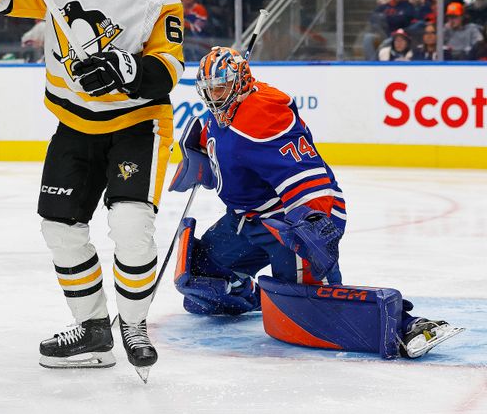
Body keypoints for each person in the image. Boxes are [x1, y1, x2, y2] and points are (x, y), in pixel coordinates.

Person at [0, 0, 184, 379]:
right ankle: (92, 328)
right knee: (59, 228)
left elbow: (169, 66)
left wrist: (123, 68)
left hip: (137, 124)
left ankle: (132, 325)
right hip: (74, 125)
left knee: (131, 226)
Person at [169, 46, 462, 360]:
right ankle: (257, 298)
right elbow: (231, 140)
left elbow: (306, 175)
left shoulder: (263, 118)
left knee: (313, 306)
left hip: (287, 222)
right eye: (208, 90)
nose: (213, 98)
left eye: (220, 88)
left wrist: (312, 222)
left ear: (240, 83)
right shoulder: (228, 110)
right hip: (246, 219)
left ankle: (406, 327)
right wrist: (202, 147)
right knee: (201, 278)